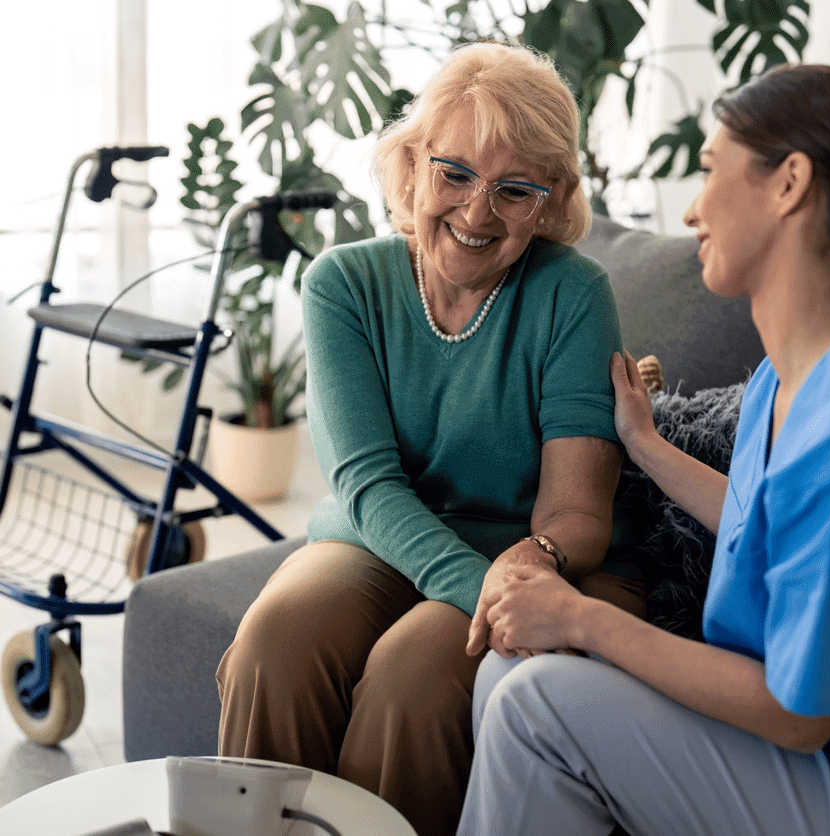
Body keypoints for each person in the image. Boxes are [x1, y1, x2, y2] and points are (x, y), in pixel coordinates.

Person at [457, 64, 830, 836]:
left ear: (788, 183)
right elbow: (771, 523)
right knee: (509, 668)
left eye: (708, 170)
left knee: (536, 703)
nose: (692, 210)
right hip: (828, 763)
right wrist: (645, 444)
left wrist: (581, 619)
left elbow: (799, 713)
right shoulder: (786, 380)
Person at [215, 42, 646, 836]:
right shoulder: (343, 283)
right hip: (377, 537)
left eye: (514, 190)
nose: (477, 214)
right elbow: (367, 486)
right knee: (272, 644)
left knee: (410, 683)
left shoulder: (572, 292)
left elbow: (577, 513)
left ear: (551, 201)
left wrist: (530, 570)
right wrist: (479, 588)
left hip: (531, 553)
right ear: (412, 166)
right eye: (455, 175)